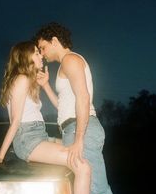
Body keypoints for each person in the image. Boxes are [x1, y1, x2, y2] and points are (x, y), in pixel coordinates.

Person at [0, 41, 91, 194]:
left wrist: (45, 85)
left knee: (80, 147)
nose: (41, 55)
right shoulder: (21, 79)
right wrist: (0, 155)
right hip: (27, 139)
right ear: (25, 57)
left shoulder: (28, 81)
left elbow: (59, 107)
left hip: (39, 136)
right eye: (36, 53)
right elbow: (16, 121)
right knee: (83, 166)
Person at [33, 22, 113, 194]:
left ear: (54, 40)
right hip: (75, 127)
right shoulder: (66, 63)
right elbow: (63, 106)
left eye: (43, 47)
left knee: (96, 189)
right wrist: (46, 85)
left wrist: (79, 139)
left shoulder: (71, 60)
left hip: (82, 128)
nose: (42, 53)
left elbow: (83, 98)